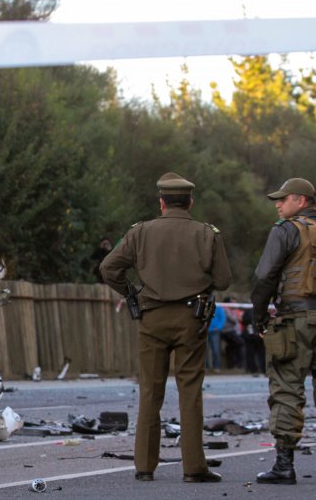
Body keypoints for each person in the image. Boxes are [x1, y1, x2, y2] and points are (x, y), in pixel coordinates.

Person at [100, 172, 231, 483]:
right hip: (191, 320)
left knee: (150, 391)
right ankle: (194, 468)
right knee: (190, 392)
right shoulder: (207, 233)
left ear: (161, 203)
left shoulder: (140, 232)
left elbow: (108, 267)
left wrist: (131, 293)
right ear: (190, 202)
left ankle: (144, 466)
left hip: (151, 318)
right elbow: (224, 280)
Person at [251, 178, 316, 485]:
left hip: (295, 319)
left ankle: (284, 465)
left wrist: (258, 318)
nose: (278, 205)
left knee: (286, 385)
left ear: (300, 200)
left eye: (282, 200)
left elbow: (264, 276)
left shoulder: (286, 230)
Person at [206, 303, 225, 371]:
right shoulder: (204, 307)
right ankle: (206, 367)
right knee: (205, 350)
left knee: (215, 350)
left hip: (215, 332)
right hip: (205, 332)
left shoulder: (219, 308)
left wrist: (218, 327)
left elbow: (222, 318)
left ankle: (216, 367)